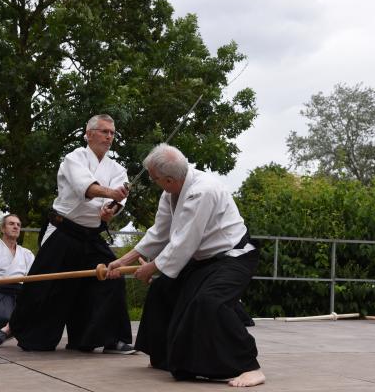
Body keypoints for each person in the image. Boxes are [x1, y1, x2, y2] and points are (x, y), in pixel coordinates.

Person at [107, 143, 266, 387]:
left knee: (210, 303)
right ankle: (163, 356)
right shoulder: (170, 192)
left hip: (234, 257)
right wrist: (122, 260)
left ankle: (250, 366)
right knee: (163, 290)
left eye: (155, 178)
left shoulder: (203, 191)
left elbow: (183, 243)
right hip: (202, 261)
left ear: (169, 179)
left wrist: (151, 267)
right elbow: (159, 233)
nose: (154, 181)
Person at [0, 114, 134, 353]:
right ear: (88, 134)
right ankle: (13, 327)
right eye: (104, 131)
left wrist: (112, 210)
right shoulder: (74, 158)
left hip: (91, 235)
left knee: (113, 275)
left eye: (112, 133)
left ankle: (110, 339)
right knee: (43, 287)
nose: (109, 137)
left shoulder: (117, 168)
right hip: (63, 231)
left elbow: (121, 198)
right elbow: (87, 188)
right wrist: (112, 195)